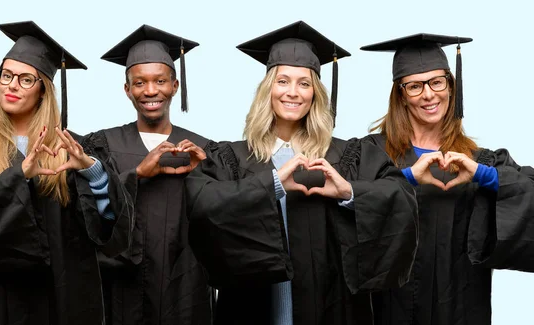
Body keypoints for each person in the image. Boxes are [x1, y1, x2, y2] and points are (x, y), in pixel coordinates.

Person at [185, 20, 419, 325]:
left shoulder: (347, 155)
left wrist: (348, 192)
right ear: (268, 90)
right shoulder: (232, 157)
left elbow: (401, 196)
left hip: (332, 307)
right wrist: (272, 184)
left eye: (304, 83)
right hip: (252, 307)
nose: (292, 93)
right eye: (283, 81)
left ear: (315, 94)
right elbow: (201, 204)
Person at [0, 21, 132, 325]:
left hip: (64, 299)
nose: (12, 85)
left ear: (43, 90)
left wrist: (94, 173)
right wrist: (19, 175)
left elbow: (108, 233)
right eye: (6, 75)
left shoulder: (75, 149)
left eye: (26, 79)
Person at [362, 33, 534, 325]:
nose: (429, 94)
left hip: (463, 307)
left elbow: (528, 191)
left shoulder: (481, 161)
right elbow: (345, 202)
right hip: (391, 308)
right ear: (401, 95)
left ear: (451, 88)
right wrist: (405, 179)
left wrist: (484, 175)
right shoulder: (370, 154)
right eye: (415, 86)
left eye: (437, 82)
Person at [81, 25, 212, 325]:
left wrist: (206, 174)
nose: (150, 91)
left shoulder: (204, 150)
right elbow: (88, 217)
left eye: (160, 81)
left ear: (175, 86)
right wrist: (136, 174)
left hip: (186, 290)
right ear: (127, 89)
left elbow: (219, 224)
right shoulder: (102, 146)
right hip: (121, 290)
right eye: (139, 83)